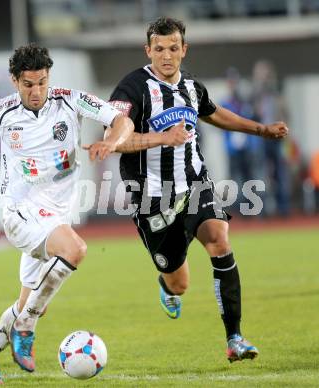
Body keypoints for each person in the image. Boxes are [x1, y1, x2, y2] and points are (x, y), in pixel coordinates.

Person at [0, 44, 135, 385]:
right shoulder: (1, 110)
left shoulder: (69, 99)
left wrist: (113, 142)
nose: (36, 92)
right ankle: (26, 328)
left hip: (54, 217)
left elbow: (121, 119)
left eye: (42, 83)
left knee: (32, 301)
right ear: (15, 81)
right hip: (19, 213)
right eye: (28, 84)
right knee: (75, 250)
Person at [108, 17, 289, 363]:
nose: (166, 56)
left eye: (173, 48)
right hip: (152, 200)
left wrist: (261, 130)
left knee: (220, 240)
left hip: (194, 185)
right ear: (148, 50)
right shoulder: (131, 89)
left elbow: (214, 113)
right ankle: (166, 287)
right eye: (159, 49)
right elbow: (114, 140)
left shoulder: (191, 86)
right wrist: (161, 137)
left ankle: (234, 338)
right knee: (179, 283)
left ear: (183, 50)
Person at [221, 67, 264, 214]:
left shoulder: (245, 102)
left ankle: (253, 207)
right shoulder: (225, 103)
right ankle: (237, 208)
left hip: (247, 146)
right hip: (232, 147)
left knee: (249, 177)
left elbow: (256, 119)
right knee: (234, 178)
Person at [252, 59, 291, 216]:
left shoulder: (277, 95)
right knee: (261, 173)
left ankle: (283, 208)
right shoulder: (255, 96)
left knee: (280, 172)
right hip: (262, 138)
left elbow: (286, 115)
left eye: (266, 75)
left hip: (278, 138)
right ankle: (262, 208)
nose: (264, 78)